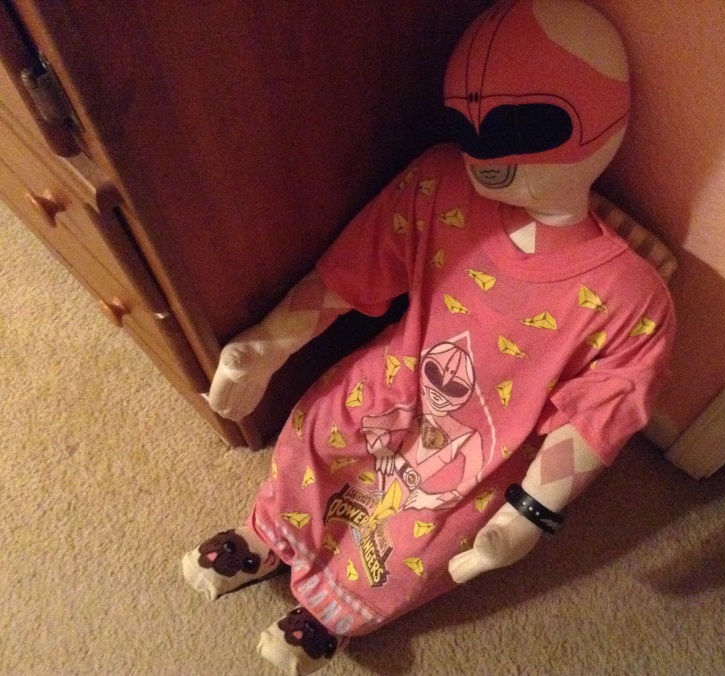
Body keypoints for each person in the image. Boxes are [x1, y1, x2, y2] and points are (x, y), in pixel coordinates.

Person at [182, 2, 675, 674]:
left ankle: (335, 609)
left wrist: (529, 513)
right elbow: (354, 269)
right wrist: (269, 343)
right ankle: (271, 531)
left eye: (515, 127)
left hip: (489, 441)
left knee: (418, 539)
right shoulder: (440, 184)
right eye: (468, 124)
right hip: (398, 375)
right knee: (317, 429)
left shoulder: (631, 297)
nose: (485, 152)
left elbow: (598, 416)